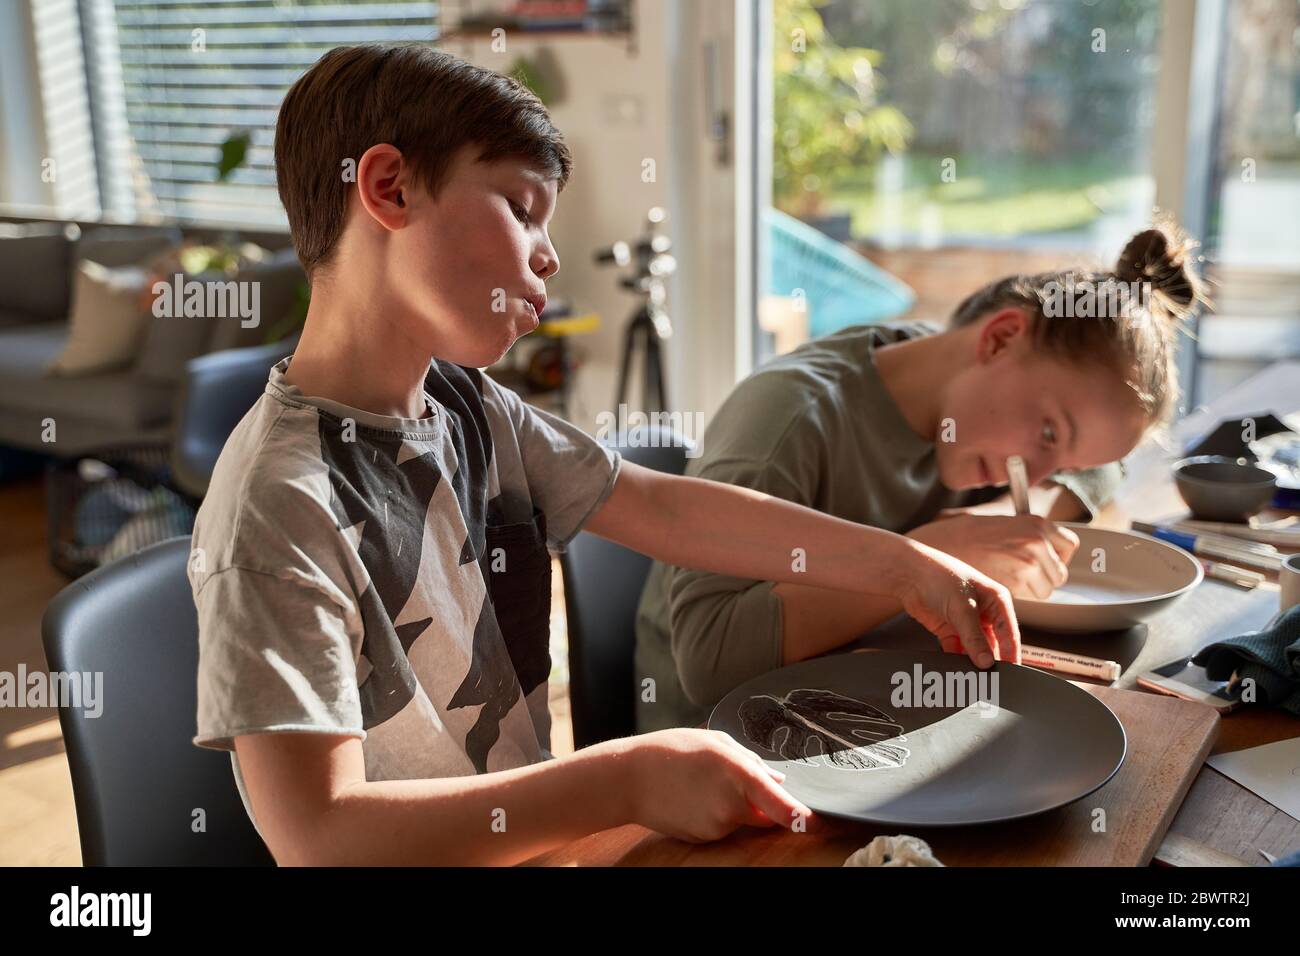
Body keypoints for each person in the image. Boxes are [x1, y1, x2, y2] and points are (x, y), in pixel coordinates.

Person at [187, 43, 1019, 866]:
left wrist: (903, 565)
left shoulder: (471, 408)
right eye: (520, 209)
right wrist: (621, 782)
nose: (548, 255)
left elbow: (661, 506)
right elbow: (318, 836)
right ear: (389, 189)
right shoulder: (278, 500)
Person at [636, 224, 1202, 732]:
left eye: (1064, 462)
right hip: (728, 747)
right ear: (1000, 338)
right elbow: (707, 662)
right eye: (1049, 435)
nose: (1035, 475)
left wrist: (993, 523)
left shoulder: (965, 391)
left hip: (870, 704)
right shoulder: (789, 424)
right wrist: (922, 559)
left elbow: (1106, 463)